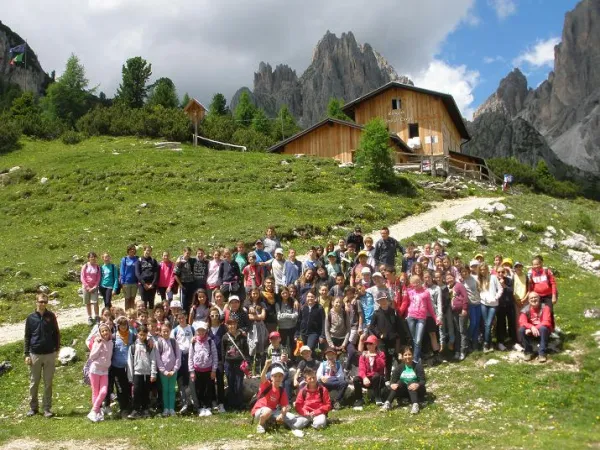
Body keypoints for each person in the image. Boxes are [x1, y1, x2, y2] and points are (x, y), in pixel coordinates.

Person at [24, 293, 60, 418]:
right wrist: (26, 354)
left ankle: (47, 408)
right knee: (34, 382)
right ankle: (33, 408)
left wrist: (57, 349)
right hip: (35, 354)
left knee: (48, 382)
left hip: (49, 353)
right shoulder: (30, 318)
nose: (43, 304)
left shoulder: (51, 316)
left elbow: (56, 333)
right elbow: (27, 336)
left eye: (45, 302)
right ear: (36, 302)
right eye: (41, 301)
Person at [368, 291, 405, 378]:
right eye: (380, 300)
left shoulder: (394, 312)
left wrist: (399, 337)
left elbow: (399, 326)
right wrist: (379, 334)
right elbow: (372, 327)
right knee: (385, 359)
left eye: (384, 299)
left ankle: (404, 375)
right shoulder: (376, 314)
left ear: (387, 300)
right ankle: (386, 378)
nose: (383, 302)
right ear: (378, 302)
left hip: (393, 340)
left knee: (397, 357)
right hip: (383, 341)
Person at [405, 275, 440, 364]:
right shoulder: (410, 292)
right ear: (412, 284)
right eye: (414, 283)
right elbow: (406, 303)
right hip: (411, 316)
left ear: (421, 281)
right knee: (414, 339)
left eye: (418, 282)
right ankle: (418, 356)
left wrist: (435, 317)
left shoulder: (426, 292)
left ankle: (415, 360)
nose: (416, 284)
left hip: (421, 317)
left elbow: (430, 307)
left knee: (418, 339)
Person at [381, 346, 426, 414]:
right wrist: (392, 385)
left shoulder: (417, 366)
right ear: (402, 356)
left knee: (411, 382)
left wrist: (417, 384)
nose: (407, 356)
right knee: (399, 382)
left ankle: (415, 405)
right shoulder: (399, 367)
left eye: (409, 354)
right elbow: (392, 381)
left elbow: (423, 381)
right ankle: (387, 403)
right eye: (405, 355)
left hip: (417, 390)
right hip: (404, 391)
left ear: (413, 355)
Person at [251, 360, 291, 435]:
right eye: (275, 376)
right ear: (271, 377)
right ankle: (261, 425)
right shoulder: (267, 385)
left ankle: (271, 422)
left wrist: (282, 415)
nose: (278, 378)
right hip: (260, 411)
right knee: (268, 411)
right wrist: (266, 366)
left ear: (282, 378)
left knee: (288, 416)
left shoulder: (281, 390)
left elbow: (284, 405)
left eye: (280, 376)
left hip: (272, 411)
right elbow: (262, 377)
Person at [107, 316, 135, 418]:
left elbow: (142, 339)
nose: (123, 327)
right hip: (117, 368)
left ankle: (130, 408)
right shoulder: (113, 337)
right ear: (118, 326)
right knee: (120, 389)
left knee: (129, 388)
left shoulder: (132, 335)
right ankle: (123, 409)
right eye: (121, 325)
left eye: (125, 324)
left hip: (129, 367)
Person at [127, 324, 157, 419]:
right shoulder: (133, 347)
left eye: (144, 334)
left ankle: (145, 409)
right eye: (140, 334)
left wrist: (153, 373)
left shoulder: (149, 346)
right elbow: (130, 362)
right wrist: (130, 376)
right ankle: (136, 410)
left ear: (146, 335)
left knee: (146, 391)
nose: (142, 336)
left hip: (147, 373)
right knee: (136, 391)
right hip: (137, 373)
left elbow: (153, 360)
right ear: (137, 334)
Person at [189, 321, 218, 417]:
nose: (201, 333)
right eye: (199, 331)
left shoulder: (210, 341)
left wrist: (214, 370)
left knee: (208, 389)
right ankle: (201, 407)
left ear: (206, 331)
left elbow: (215, 356)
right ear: (197, 332)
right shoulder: (193, 342)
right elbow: (190, 357)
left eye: (203, 331)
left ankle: (208, 407)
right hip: (197, 370)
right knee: (199, 389)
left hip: (208, 370)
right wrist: (192, 371)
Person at [86, 322, 114, 422]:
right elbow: (92, 356)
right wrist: (99, 344)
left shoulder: (111, 343)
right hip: (95, 369)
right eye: (103, 331)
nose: (105, 332)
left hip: (105, 370)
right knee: (96, 392)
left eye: (106, 330)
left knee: (104, 391)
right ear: (100, 333)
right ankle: (96, 413)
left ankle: (94, 410)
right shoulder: (97, 342)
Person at [222, 317, 249, 410]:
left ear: (237, 324)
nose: (232, 326)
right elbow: (223, 351)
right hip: (228, 363)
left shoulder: (242, 336)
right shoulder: (225, 337)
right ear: (227, 325)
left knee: (239, 384)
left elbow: (246, 350)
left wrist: (248, 361)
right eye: (230, 324)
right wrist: (222, 364)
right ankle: (231, 404)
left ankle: (240, 404)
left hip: (239, 363)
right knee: (231, 383)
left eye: (234, 323)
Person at [353, 335, 385, 408]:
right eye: (367, 344)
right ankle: (359, 399)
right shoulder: (363, 355)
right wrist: (364, 377)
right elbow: (361, 369)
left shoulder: (381, 354)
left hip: (377, 380)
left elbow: (382, 366)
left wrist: (376, 356)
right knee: (356, 379)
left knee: (376, 376)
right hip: (367, 379)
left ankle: (377, 397)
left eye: (371, 344)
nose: (368, 345)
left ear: (375, 344)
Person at [519, 292, 553, 363]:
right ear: (528, 300)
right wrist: (531, 327)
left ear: (539, 298)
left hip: (543, 331)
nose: (534, 299)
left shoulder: (545, 308)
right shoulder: (525, 310)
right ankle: (528, 352)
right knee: (521, 330)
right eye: (531, 298)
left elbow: (546, 321)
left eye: (535, 297)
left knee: (543, 328)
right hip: (531, 331)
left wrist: (534, 328)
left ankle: (542, 353)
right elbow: (522, 322)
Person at [156, 322, 181, 417]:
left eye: (167, 331)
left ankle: (172, 408)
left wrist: (174, 370)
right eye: (163, 331)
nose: (165, 333)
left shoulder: (174, 342)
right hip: (164, 372)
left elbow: (178, 357)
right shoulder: (158, 343)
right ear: (161, 332)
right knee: (165, 389)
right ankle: (166, 408)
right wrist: (164, 371)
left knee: (172, 389)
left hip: (173, 371)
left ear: (170, 331)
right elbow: (158, 358)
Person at [527, 255, 558, 330]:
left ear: (541, 264)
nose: (536, 266)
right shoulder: (531, 273)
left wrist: (554, 296)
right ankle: (541, 328)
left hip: (548, 295)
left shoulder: (547, 271)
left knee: (549, 312)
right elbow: (531, 285)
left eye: (538, 264)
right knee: (538, 312)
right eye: (534, 264)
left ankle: (551, 329)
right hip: (537, 296)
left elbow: (553, 283)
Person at [477, 263, 503, 353]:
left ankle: (486, 343)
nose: (483, 271)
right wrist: (483, 298)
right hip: (484, 303)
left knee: (488, 324)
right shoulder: (479, 279)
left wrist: (496, 297)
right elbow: (480, 291)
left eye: (484, 269)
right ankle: (490, 343)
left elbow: (500, 289)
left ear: (487, 269)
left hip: (493, 304)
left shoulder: (493, 277)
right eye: (481, 270)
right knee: (486, 324)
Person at [207, 307, 228, 413]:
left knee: (220, 381)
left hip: (220, 359)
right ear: (209, 317)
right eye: (212, 315)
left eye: (216, 315)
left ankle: (221, 403)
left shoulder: (223, 328)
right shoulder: (207, 330)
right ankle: (213, 401)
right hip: (209, 360)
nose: (214, 317)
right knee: (210, 381)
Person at [445, 272, 468, 361]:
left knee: (462, 331)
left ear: (454, 278)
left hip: (461, 311)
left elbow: (465, 297)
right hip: (454, 312)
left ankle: (463, 351)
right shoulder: (448, 288)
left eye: (450, 278)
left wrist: (465, 309)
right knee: (457, 331)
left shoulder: (459, 285)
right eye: (447, 279)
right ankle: (457, 351)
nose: (449, 280)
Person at [462, 263, 482, 351]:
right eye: (462, 272)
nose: (464, 273)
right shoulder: (461, 282)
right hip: (470, 304)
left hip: (478, 302)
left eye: (465, 271)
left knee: (477, 323)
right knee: (473, 322)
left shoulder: (474, 278)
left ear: (469, 271)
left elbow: (479, 288)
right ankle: (468, 338)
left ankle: (475, 341)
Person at [496, 266, 516, 350]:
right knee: (501, 323)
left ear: (505, 272)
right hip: (500, 305)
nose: (500, 274)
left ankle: (514, 341)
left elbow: (512, 291)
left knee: (512, 322)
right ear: (496, 272)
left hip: (509, 304)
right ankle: (500, 341)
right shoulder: (494, 280)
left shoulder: (509, 280)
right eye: (499, 272)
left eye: (502, 272)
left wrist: (504, 285)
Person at [135, 245, 159, 310]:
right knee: (144, 302)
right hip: (143, 285)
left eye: (149, 251)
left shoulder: (153, 261)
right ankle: (144, 317)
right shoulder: (139, 261)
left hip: (152, 285)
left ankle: (151, 318)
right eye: (146, 250)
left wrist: (153, 284)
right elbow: (137, 274)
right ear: (144, 250)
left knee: (151, 302)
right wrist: (144, 284)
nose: (148, 252)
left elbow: (156, 273)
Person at [173, 247, 196, 314]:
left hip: (191, 284)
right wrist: (180, 285)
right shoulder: (180, 262)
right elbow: (175, 274)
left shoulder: (191, 260)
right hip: (184, 284)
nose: (188, 255)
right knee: (184, 303)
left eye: (189, 253)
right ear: (184, 252)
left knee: (191, 302)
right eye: (187, 253)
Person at [81, 251, 101, 325]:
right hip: (86, 287)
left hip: (94, 287)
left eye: (94, 257)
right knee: (87, 302)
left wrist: (95, 286)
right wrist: (87, 287)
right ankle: (89, 317)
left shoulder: (97, 267)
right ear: (88, 258)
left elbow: (98, 277)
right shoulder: (85, 266)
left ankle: (96, 317)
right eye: (91, 257)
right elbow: (82, 277)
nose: (93, 258)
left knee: (95, 302)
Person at [120, 244, 139, 311]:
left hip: (135, 282)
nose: (132, 251)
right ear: (128, 251)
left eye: (133, 249)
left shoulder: (137, 259)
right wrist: (122, 282)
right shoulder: (124, 259)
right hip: (126, 282)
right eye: (131, 249)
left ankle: (132, 313)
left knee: (132, 298)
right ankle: (127, 312)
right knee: (127, 299)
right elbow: (122, 271)